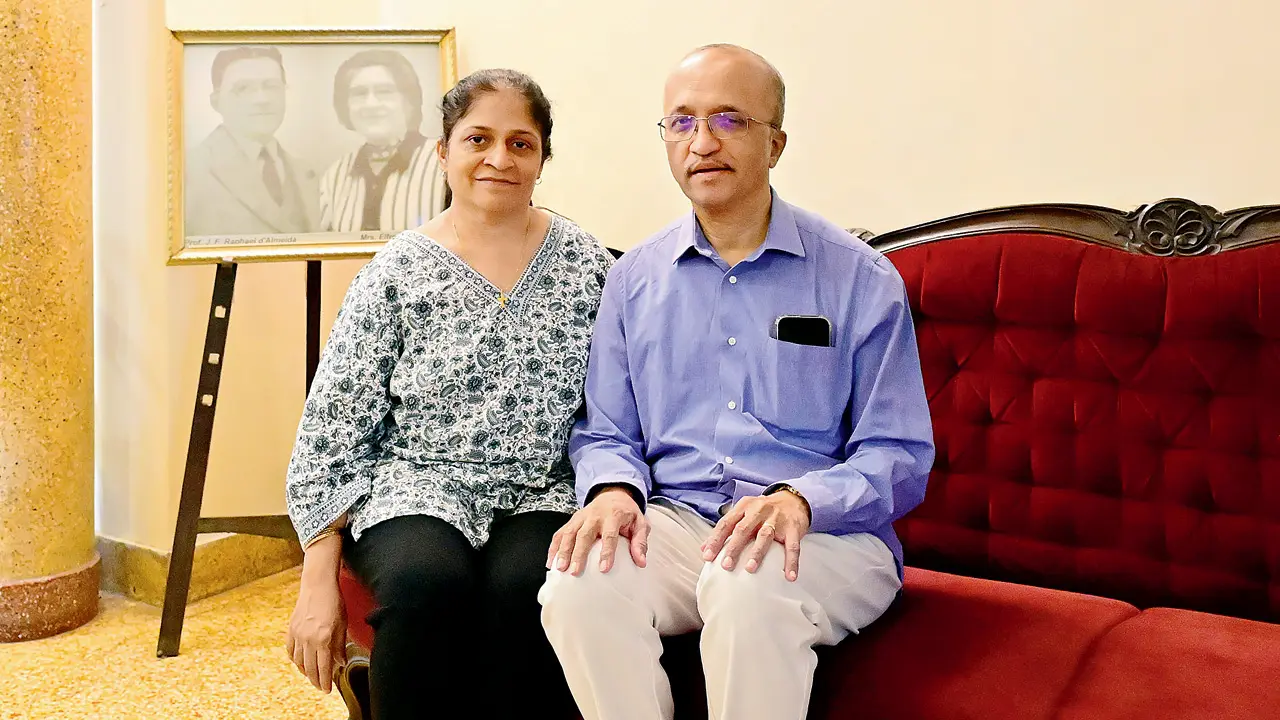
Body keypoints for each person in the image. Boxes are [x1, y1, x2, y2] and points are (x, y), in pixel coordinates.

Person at [538, 44, 936, 720]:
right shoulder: (633, 279)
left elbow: (897, 454)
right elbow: (607, 430)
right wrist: (608, 489)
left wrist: (802, 501)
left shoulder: (859, 279)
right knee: (579, 583)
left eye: (729, 120)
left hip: (825, 538)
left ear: (775, 142)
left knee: (747, 584)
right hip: (677, 524)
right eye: (682, 123)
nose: (703, 143)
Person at [284, 68, 608, 719]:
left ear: (543, 158)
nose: (498, 158)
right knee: (422, 585)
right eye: (478, 138)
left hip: (542, 486)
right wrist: (316, 574)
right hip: (417, 484)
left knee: (536, 588)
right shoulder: (397, 270)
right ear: (443, 152)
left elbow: (618, 406)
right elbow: (334, 423)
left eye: (521, 143)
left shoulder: (587, 265)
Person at [185, 45, 318, 236]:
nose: (262, 99)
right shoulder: (189, 171)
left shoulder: (306, 171)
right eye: (243, 89)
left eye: (271, 87)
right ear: (216, 101)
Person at [319, 50, 448, 233]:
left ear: (408, 100)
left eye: (384, 92)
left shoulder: (442, 162)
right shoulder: (335, 176)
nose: (371, 104)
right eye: (359, 93)